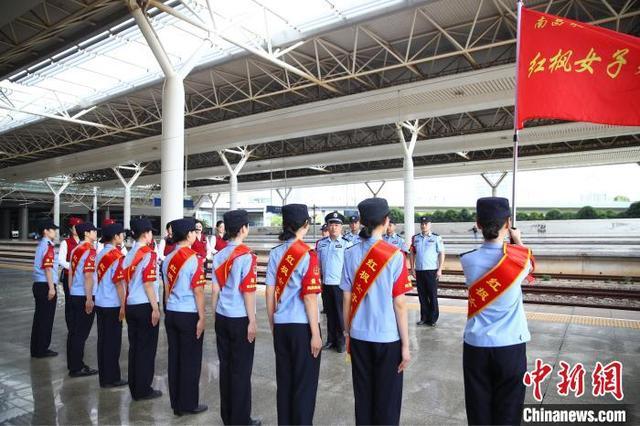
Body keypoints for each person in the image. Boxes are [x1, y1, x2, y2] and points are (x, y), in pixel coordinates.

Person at [460, 197, 534, 425]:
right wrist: (518, 239)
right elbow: (528, 264)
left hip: (476, 346)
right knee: (509, 413)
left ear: (478, 224)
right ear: (507, 223)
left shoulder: (468, 260)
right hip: (510, 346)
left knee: (479, 411)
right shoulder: (521, 260)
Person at [341, 198, 412, 425]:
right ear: (385, 221)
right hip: (387, 338)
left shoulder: (350, 253)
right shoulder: (395, 256)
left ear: (361, 221)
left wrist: (347, 331)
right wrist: (406, 344)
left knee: (363, 397)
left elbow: (346, 297)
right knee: (387, 400)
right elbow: (399, 303)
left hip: (359, 336)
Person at [265, 204, 322, 425]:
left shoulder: (275, 253)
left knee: (285, 382)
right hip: (302, 327)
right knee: (304, 385)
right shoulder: (308, 255)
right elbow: (309, 297)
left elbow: (270, 292)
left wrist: (272, 322)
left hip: (281, 325)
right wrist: (315, 333)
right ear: (305, 225)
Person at [211, 210, 261, 425]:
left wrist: (215, 313)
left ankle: (228, 417)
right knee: (241, 371)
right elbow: (248, 292)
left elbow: (215, 289)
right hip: (240, 318)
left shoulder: (220, 255)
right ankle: (241, 420)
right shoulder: (246, 256)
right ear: (243, 229)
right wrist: (252, 320)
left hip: (222, 315)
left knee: (226, 367)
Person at [162, 218, 208, 416]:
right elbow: (198, 292)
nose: (196, 235)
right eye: (194, 232)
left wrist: (167, 309)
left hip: (171, 312)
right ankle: (189, 404)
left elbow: (165, 289)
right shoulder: (194, 259)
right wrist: (202, 317)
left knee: (175, 359)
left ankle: (177, 404)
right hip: (188, 314)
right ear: (188, 235)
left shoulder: (167, 260)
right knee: (190, 361)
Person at [121, 217, 162, 401]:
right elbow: (148, 283)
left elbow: (124, 281)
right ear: (145, 234)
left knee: (135, 348)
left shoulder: (129, 254)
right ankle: (144, 389)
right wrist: (155, 308)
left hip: (131, 304)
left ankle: (135, 387)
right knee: (146, 349)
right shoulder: (148, 253)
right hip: (145, 305)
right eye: (151, 232)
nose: (152, 235)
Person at [93, 222, 128, 388]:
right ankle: (112, 378)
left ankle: (104, 377)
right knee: (113, 343)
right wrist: (123, 306)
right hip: (112, 304)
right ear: (115, 237)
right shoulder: (116, 255)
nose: (123, 236)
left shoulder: (100, 254)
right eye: (121, 234)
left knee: (103, 341)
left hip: (100, 302)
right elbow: (119, 283)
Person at [315, 211, 350, 353]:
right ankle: (330, 340)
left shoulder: (347, 244)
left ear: (341, 227)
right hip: (326, 283)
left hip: (339, 284)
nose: (334, 227)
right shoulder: (322, 244)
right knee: (329, 313)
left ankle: (341, 341)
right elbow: (317, 264)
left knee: (340, 314)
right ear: (327, 226)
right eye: (331, 224)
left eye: (337, 225)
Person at [67, 222, 99, 377]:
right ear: (86, 233)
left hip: (74, 293)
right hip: (84, 295)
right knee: (81, 334)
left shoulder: (75, 250)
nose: (95, 233)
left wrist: (72, 291)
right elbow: (88, 276)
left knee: (73, 332)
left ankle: (73, 364)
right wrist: (89, 298)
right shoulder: (90, 251)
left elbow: (71, 273)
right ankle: (77, 367)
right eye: (93, 231)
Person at [31, 220, 59, 358]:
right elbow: (48, 268)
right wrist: (51, 288)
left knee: (39, 318)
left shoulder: (41, 245)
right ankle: (42, 349)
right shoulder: (47, 246)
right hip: (45, 285)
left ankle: (36, 348)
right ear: (45, 232)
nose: (55, 231)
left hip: (38, 284)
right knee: (46, 319)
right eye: (52, 229)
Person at [409, 216, 445, 327]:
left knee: (432, 295)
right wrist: (412, 268)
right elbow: (412, 253)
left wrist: (440, 269)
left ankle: (433, 319)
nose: (423, 225)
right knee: (422, 295)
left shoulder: (436, 238)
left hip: (432, 271)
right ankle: (424, 317)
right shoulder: (415, 238)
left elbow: (441, 253)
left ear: (430, 225)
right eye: (422, 224)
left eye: (426, 223)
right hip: (419, 271)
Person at [58, 216, 83, 331]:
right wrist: (75, 267)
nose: (77, 229)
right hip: (69, 276)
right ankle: (71, 327)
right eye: (75, 227)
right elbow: (61, 260)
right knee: (70, 302)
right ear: (71, 229)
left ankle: (78, 325)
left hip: (82, 278)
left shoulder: (84, 243)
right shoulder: (66, 243)